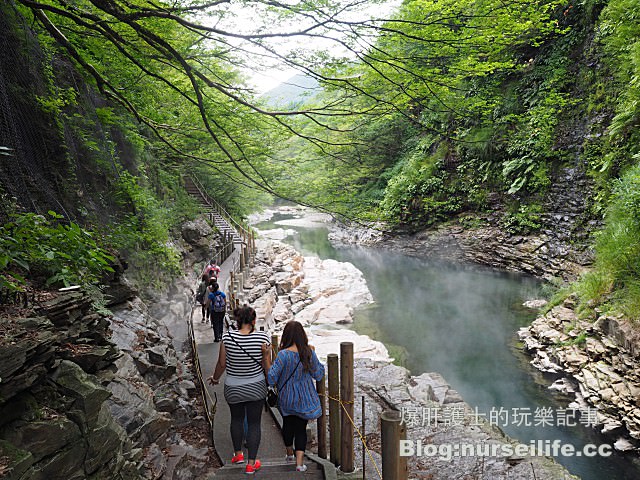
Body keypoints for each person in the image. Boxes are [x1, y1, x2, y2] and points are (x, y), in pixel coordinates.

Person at [208, 306, 271, 475]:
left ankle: (238, 455)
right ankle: (251, 464)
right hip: (256, 388)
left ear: (238, 321)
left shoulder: (228, 337)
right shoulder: (263, 338)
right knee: (254, 424)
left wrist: (215, 379)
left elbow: (222, 364)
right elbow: (267, 367)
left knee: (236, 420)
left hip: (233, 387)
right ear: (253, 321)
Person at [267, 320, 324, 472]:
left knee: (288, 425)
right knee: (300, 429)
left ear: (286, 335)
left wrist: (267, 360)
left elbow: (271, 378)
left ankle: (289, 453)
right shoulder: (308, 352)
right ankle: (299, 464)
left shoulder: (283, 355)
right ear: (302, 335)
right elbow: (318, 374)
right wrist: (315, 357)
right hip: (304, 397)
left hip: (287, 397)